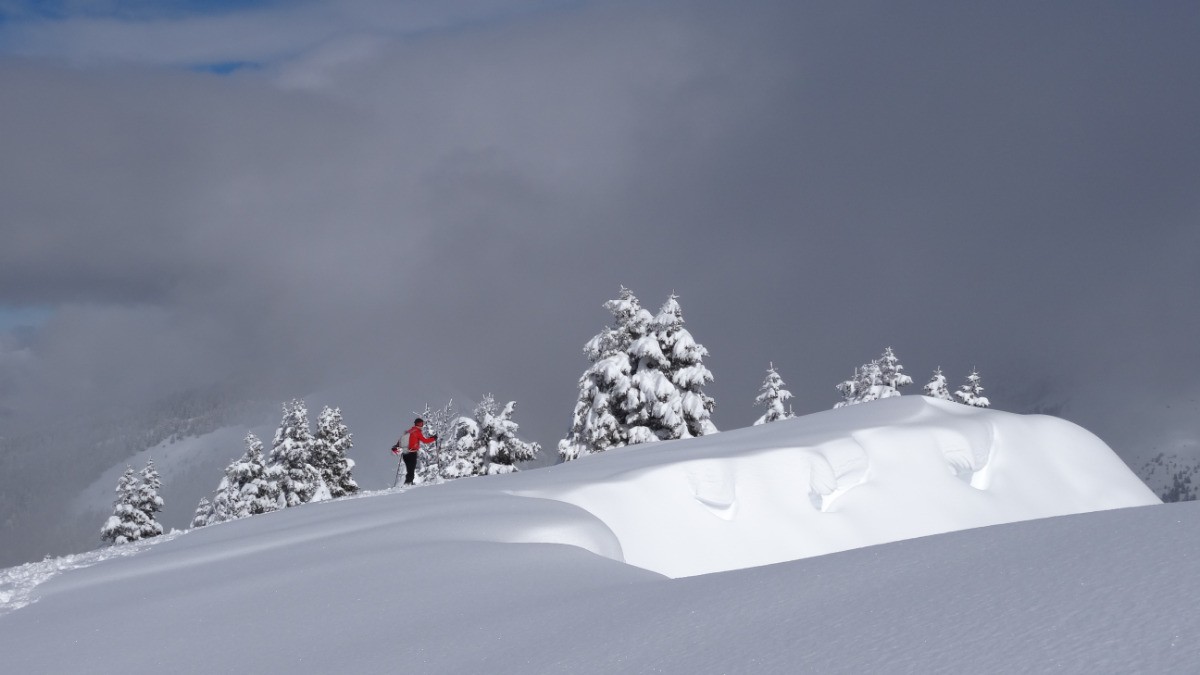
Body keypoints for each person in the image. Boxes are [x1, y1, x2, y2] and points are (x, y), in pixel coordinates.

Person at [393, 418, 437, 486]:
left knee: (409, 469)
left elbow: (400, 440)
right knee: (411, 469)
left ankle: (408, 483)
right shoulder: (417, 432)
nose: (422, 425)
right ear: (420, 424)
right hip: (412, 453)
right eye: (422, 424)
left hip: (405, 453)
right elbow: (425, 441)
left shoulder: (409, 431)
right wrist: (433, 438)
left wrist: (397, 446)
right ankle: (408, 483)